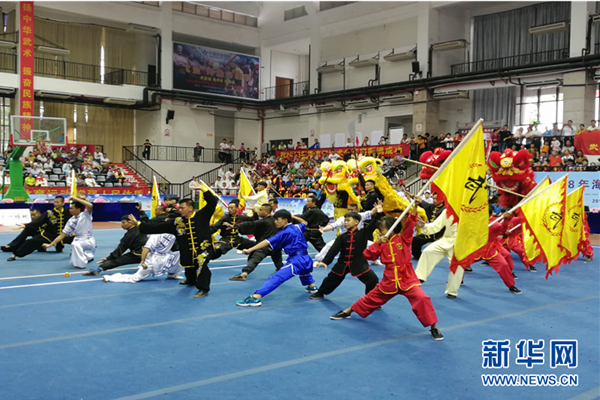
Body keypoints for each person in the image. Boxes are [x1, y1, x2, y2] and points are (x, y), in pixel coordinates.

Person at [329, 204, 444, 341]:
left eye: (382, 230)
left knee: (422, 298)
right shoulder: (381, 243)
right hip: (389, 280)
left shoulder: (404, 238)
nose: (380, 233)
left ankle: (434, 327)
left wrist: (415, 206)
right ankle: (347, 311)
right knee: (370, 298)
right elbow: (368, 255)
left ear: (391, 229)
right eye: (379, 230)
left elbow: (410, 223)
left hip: (407, 279)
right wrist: (377, 243)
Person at [136, 188, 217, 298]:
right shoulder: (178, 222)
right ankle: (191, 280)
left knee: (201, 263)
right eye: (180, 208)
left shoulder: (202, 215)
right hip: (187, 249)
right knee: (188, 264)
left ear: (190, 208)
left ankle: (203, 288)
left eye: (182, 208)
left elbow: (212, 202)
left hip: (204, 248)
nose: (180, 210)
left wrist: (203, 189)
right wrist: (139, 224)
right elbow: (158, 227)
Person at [236, 211, 318, 306]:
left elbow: (266, 242)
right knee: (304, 272)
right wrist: (291, 216)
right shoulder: (297, 227)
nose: (275, 222)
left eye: (277, 219)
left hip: (296, 260)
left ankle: (255, 298)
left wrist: (250, 249)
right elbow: (305, 222)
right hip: (306, 258)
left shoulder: (283, 232)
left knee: (277, 278)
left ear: (285, 220)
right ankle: (312, 286)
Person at [310, 203, 384, 300]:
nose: (345, 223)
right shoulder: (342, 237)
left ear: (356, 222)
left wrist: (379, 212)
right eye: (345, 220)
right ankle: (320, 292)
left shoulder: (363, 233)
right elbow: (333, 250)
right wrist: (325, 262)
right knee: (330, 279)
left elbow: (373, 224)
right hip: (342, 263)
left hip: (359, 263)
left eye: (348, 220)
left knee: (373, 280)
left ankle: (370, 299)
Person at [414, 208, 464, 299]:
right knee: (428, 251)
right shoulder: (447, 211)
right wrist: (424, 226)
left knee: (456, 267)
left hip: (461, 243)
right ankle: (419, 277)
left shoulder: (470, 212)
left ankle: (452, 291)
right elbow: (436, 225)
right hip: (447, 239)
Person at [228, 203, 284, 281]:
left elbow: (252, 224)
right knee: (278, 260)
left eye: (261, 210)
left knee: (254, 258)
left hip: (264, 246)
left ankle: (244, 274)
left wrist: (236, 226)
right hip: (276, 246)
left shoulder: (263, 222)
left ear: (267, 212)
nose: (259, 211)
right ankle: (281, 269)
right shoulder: (276, 221)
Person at [103, 232, 182, 283]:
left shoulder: (174, 233)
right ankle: (111, 277)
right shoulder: (156, 235)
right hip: (152, 260)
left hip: (163, 256)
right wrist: (143, 261)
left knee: (180, 254)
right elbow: (146, 248)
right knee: (135, 278)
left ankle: (172, 274)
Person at [82, 215, 148, 276]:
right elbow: (146, 222)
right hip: (149, 253)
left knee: (118, 260)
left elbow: (120, 250)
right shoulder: (141, 228)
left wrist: (108, 258)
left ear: (131, 222)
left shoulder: (129, 235)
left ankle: (97, 270)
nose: (122, 225)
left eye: (123, 223)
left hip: (138, 254)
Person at [43, 196, 96, 269]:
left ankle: (80, 265)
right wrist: (50, 244)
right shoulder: (71, 220)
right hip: (77, 239)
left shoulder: (86, 215)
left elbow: (90, 205)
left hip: (88, 240)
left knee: (75, 244)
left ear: (78, 209)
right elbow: (62, 235)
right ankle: (88, 256)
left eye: (71, 208)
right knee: (75, 247)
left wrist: (75, 198)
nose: (69, 210)